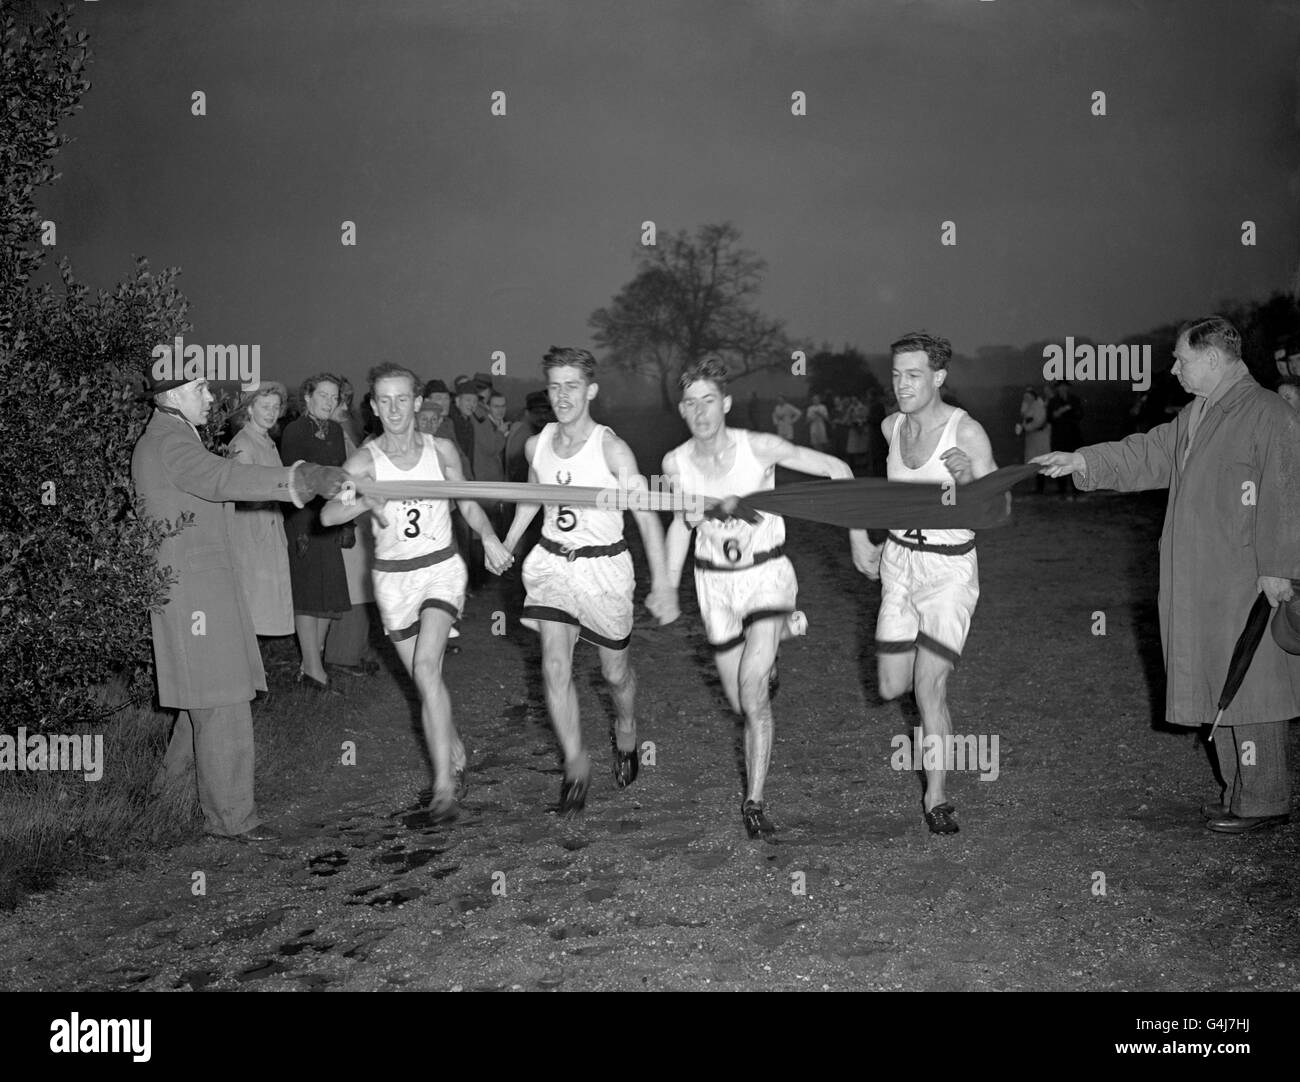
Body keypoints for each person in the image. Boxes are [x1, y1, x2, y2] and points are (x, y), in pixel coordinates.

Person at [1035, 316, 1300, 833]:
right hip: (1203, 579)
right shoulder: (1198, 414)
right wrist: (1081, 461)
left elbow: (1288, 492)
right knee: (1221, 682)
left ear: (1213, 359)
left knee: (1252, 685)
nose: (1174, 367)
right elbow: (1147, 453)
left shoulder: (1269, 412)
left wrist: (1280, 568)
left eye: (1181, 358)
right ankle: (1241, 793)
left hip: (1247, 580)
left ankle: (1264, 799)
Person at [663, 358, 876, 839]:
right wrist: (664, 583)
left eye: (709, 400)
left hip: (766, 575)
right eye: (691, 403)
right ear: (681, 409)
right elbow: (680, 522)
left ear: (727, 403)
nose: (701, 411)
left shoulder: (760, 448)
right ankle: (778, 635)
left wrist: (859, 540)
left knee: (754, 689)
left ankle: (754, 800)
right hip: (713, 584)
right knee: (741, 700)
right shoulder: (675, 464)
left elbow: (838, 468)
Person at [132, 370, 346, 839]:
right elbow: (223, 476)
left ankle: (163, 801)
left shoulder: (172, 434)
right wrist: (299, 478)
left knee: (201, 701)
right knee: (222, 700)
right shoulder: (169, 440)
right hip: (194, 594)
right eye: (200, 390)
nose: (211, 397)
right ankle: (232, 821)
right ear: (171, 396)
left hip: (199, 587)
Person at [321, 364, 514, 821]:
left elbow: (466, 499)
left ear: (416, 403)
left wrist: (488, 538)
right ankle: (454, 743)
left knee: (427, 667)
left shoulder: (441, 449)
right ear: (373, 406)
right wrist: (363, 501)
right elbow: (328, 516)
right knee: (424, 680)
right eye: (384, 400)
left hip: (440, 571)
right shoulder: (364, 462)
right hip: (392, 580)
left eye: (401, 399)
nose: (393, 409)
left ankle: (444, 786)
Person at [499, 346, 677, 814]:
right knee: (554, 665)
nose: (562, 396)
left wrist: (661, 582)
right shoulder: (538, 444)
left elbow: (645, 518)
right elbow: (532, 498)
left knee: (614, 674)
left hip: (604, 568)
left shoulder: (613, 449)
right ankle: (576, 764)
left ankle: (626, 727)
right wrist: (511, 541)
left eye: (571, 386)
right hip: (553, 564)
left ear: (591, 390)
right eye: (554, 386)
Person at [860, 332, 1000, 836]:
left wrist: (971, 481)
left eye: (913, 375)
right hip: (899, 564)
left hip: (948, 571)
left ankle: (936, 795)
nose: (901, 385)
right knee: (890, 684)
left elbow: (995, 509)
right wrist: (873, 542)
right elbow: (885, 495)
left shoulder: (967, 432)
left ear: (939, 377)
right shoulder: (890, 427)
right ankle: (923, 729)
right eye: (896, 375)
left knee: (928, 687)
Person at [279, 374, 351, 690]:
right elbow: (292, 481)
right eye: (322, 395)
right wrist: (300, 526)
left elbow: (343, 478)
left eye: (334, 397)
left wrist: (347, 520)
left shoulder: (336, 430)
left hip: (330, 520)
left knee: (328, 594)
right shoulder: (295, 431)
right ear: (307, 397)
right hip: (304, 524)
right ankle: (312, 668)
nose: (328, 401)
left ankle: (314, 660)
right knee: (308, 595)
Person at [226, 381, 294, 637]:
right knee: (250, 606)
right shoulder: (243, 444)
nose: (271, 412)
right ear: (249, 409)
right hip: (252, 533)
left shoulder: (266, 441)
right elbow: (244, 492)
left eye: (276, 407)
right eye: (264, 406)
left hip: (269, 529)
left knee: (262, 606)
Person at [324, 379, 380, 677]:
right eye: (339, 400)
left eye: (346, 400)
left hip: (365, 520)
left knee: (366, 587)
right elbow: (345, 479)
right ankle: (342, 655)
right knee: (356, 589)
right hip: (350, 519)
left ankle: (356, 651)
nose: (344, 406)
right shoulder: (351, 440)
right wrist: (346, 515)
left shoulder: (355, 434)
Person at [447, 375, 507, 589]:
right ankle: (473, 582)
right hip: (471, 485)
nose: (473, 404)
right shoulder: (470, 419)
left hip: (474, 483)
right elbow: (490, 447)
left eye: (476, 398)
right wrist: (501, 434)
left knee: (475, 534)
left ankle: (475, 581)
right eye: (469, 399)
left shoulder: (469, 419)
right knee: (471, 535)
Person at [1047, 380, 1083, 497]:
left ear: (1068, 388)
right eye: (1060, 387)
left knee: (1074, 462)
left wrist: (1069, 412)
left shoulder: (1075, 400)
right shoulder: (1052, 402)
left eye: (1064, 387)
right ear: (1057, 389)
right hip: (1059, 436)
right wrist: (1056, 415)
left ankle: (1076, 487)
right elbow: (1049, 418)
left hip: (1073, 436)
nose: (1062, 389)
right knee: (1060, 462)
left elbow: (1080, 415)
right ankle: (1061, 488)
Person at [1016, 386, 1050, 493]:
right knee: (1033, 462)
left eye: (1029, 397)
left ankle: (1040, 488)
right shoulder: (1028, 408)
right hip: (1032, 439)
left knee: (1040, 461)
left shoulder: (1038, 407)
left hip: (1040, 438)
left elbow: (1039, 422)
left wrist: (1026, 428)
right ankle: (1036, 487)